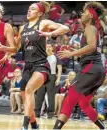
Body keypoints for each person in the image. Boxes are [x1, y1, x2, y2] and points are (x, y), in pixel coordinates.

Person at [15, 1, 69, 129]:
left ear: (40, 13)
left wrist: (50, 34)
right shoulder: (23, 28)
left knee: (29, 90)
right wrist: (2, 49)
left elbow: (65, 28)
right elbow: (16, 48)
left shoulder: (43, 23)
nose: (29, 11)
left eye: (32, 9)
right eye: (28, 8)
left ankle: (24, 126)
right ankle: (34, 125)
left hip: (41, 65)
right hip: (27, 67)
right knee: (27, 99)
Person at [55, 2, 107, 129]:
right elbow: (90, 47)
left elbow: (91, 47)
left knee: (70, 97)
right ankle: (104, 128)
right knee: (84, 103)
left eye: (84, 12)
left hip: (90, 68)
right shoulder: (95, 28)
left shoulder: (90, 28)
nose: (81, 14)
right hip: (98, 71)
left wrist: (71, 53)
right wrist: (74, 48)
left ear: (90, 15)